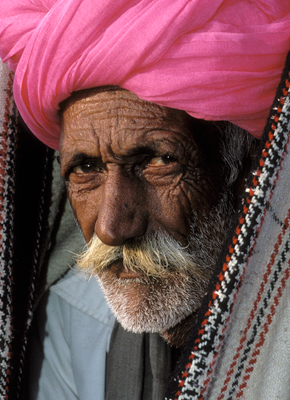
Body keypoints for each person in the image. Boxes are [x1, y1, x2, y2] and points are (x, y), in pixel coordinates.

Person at [1, 1, 290, 399]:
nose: (112, 228)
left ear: (246, 167)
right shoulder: (73, 318)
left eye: (158, 161)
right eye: (86, 168)